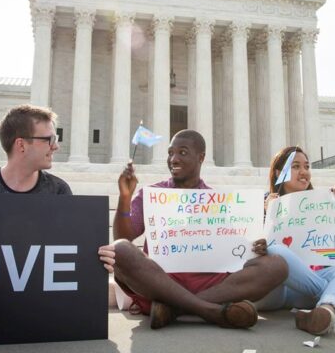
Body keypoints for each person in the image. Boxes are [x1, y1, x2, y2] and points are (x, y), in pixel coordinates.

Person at [99, 130, 288, 329]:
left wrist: (255, 246)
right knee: (120, 249)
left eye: (182, 152)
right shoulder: (152, 194)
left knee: (277, 265)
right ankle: (210, 311)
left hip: (209, 284)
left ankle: (174, 309)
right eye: (170, 153)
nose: (173, 159)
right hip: (161, 282)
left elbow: (237, 250)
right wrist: (125, 198)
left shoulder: (217, 201)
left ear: (201, 157)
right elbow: (123, 237)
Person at [255, 146, 335, 335]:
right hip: (272, 289)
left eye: (307, 166)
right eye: (296, 166)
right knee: (277, 252)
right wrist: (268, 215)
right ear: (279, 173)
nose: (304, 172)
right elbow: (250, 250)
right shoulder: (263, 203)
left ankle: (327, 311)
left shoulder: (320, 204)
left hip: (302, 293)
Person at [0, 104, 71, 195]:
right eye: (49, 140)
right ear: (21, 145)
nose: (56, 146)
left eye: (55, 139)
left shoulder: (59, 191)